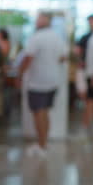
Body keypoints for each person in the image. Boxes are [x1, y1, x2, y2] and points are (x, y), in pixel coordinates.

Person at [18, 13, 68, 157]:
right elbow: (64, 57)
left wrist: (19, 74)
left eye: (39, 18)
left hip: (37, 82)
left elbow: (28, 58)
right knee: (45, 111)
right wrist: (51, 63)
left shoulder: (36, 38)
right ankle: (44, 143)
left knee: (38, 112)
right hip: (53, 80)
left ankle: (41, 145)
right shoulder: (57, 37)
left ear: (44, 21)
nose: (36, 21)